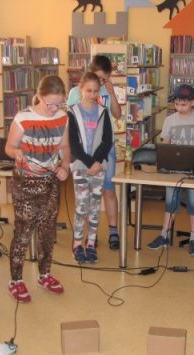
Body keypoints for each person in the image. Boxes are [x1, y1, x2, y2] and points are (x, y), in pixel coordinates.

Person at [5, 75, 70, 303]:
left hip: (49, 181)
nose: (54, 109)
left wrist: (65, 166)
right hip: (26, 181)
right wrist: (16, 152)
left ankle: (44, 275)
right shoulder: (23, 118)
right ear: (40, 97)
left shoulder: (62, 117)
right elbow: (9, 147)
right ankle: (15, 280)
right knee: (23, 232)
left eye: (59, 104)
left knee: (47, 231)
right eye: (50, 103)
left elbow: (64, 146)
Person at [147, 84, 194, 256]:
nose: (179, 107)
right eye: (176, 104)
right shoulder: (170, 120)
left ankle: (193, 238)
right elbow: (166, 145)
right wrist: (164, 162)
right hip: (175, 169)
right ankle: (164, 235)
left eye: (183, 104)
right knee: (170, 202)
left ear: (193, 103)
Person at [67, 55, 121, 250]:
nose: (101, 82)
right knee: (86, 196)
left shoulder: (106, 89)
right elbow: (72, 122)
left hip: (104, 148)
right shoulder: (76, 92)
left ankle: (113, 231)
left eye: (104, 79)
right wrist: (87, 160)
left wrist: (111, 93)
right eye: (99, 78)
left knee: (108, 189)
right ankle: (92, 235)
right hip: (83, 153)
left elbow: (117, 114)